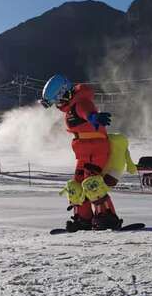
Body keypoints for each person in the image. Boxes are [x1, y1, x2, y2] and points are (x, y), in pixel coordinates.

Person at [41, 74, 122, 231]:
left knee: (92, 183)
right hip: (83, 151)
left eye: (59, 100)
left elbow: (87, 112)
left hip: (96, 148)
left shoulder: (80, 103)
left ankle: (107, 217)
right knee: (76, 185)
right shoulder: (71, 108)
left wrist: (94, 118)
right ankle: (84, 219)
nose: (58, 104)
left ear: (65, 92)